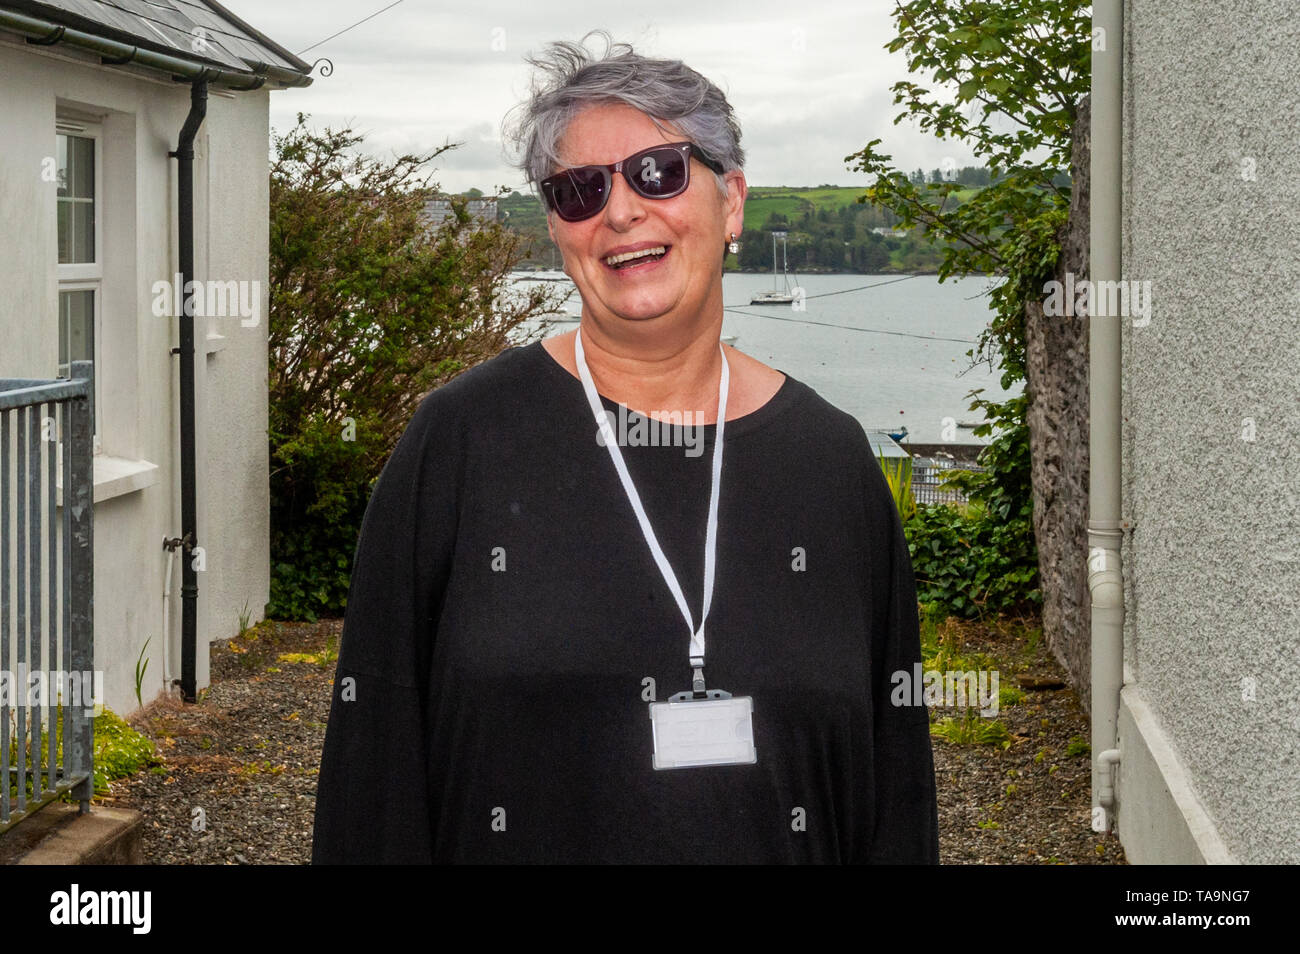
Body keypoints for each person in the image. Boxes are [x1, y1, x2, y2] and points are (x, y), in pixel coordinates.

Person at [311, 31, 939, 864]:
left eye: (659, 172)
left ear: (734, 200)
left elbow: (895, 791)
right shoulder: (459, 443)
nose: (619, 212)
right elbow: (372, 781)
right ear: (558, 228)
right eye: (578, 189)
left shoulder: (832, 463)